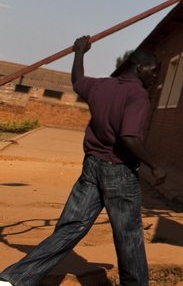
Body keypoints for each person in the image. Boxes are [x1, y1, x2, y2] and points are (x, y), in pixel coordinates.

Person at [0, 37, 166, 286]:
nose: (155, 76)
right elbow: (129, 137)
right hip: (119, 172)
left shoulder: (101, 86)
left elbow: (77, 81)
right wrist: (155, 165)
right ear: (140, 67)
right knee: (129, 235)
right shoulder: (138, 95)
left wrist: (79, 52)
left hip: (92, 167)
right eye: (153, 70)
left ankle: (13, 280)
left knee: (71, 227)